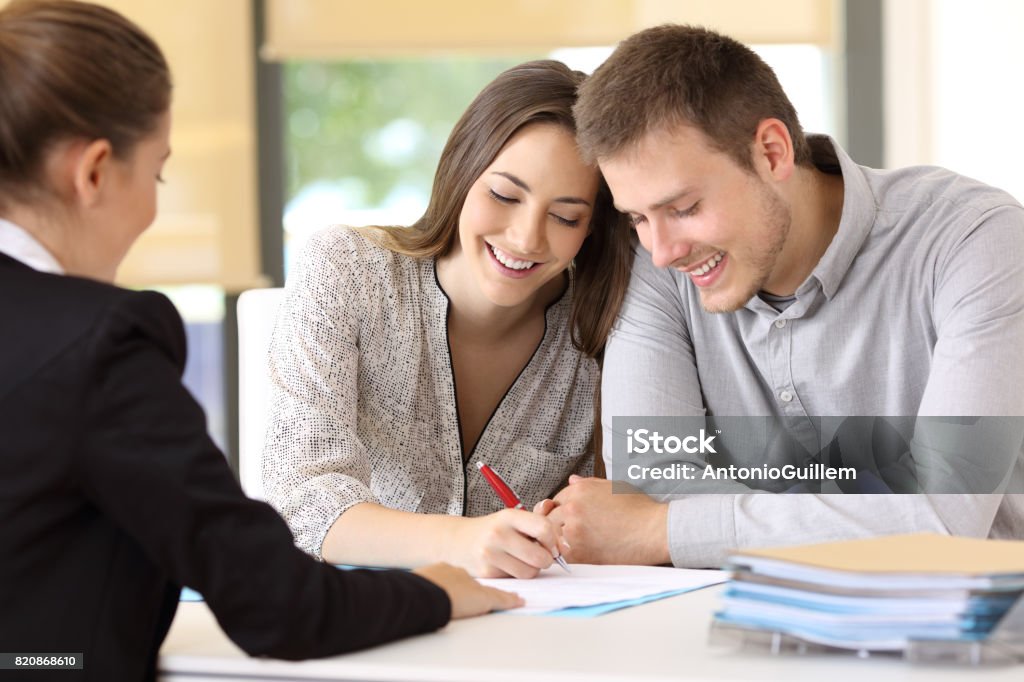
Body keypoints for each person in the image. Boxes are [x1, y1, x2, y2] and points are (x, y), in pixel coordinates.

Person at [0, 2, 521, 680]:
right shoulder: (99, 345)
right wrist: (436, 591)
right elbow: (278, 604)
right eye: (157, 172)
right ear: (94, 171)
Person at [541, 24, 1024, 568]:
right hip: (734, 628)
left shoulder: (976, 240)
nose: (662, 250)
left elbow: (943, 524)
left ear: (772, 152)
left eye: (684, 208)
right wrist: (875, 518)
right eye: (637, 217)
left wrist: (664, 531)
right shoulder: (660, 266)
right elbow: (652, 486)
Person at [262, 60, 631, 578]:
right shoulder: (346, 269)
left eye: (565, 216)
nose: (526, 238)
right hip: (365, 623)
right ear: (462, 172)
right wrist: (460, 540)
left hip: (529, 634)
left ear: (592, 228)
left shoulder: (607, 327)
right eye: (504, 195)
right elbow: (300, 500)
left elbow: (636, 506)